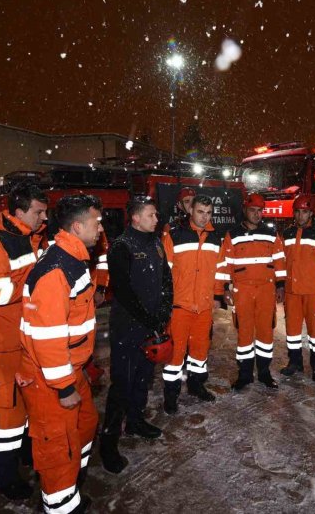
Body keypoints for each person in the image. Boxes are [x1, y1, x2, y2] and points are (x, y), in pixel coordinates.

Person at [17, 195, 103, 514]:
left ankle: (72, 488)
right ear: (77, 226)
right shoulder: (57, 269)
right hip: (50, 379)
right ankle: (60, 504)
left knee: (84, 425)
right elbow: (47, 337)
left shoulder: (73, 259)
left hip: (70, 369)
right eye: (96, 223)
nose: (100, 230)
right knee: (58, 447)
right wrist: (64, 387)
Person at [0, 182, 48, 499]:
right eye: (38, 211)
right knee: (9, 414)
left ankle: (25, 456)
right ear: (18, 212)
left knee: (28, 405)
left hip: (24, 338)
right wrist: (36, 283)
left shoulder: (27, 237)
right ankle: (4, 476)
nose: (44, 217)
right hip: (5, 344)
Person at [100, 196, 173, 473]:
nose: (156, 220)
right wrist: (149, 318)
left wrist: (164, 311)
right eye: (152, 215)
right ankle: (109, 444)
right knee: (122, 384)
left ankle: (135, 420)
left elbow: (166, 278)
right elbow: (123, 291)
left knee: (144, 377)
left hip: (152, 325)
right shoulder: (121, 246)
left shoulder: (155, 242)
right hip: (128, 328)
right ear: (136, 218)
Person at [161, 194, 223, 413]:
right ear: (191, 211)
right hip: (180, 306)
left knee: (200, 352)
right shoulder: (175, 235)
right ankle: (171, 396)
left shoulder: (216, 238)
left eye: (208, 213)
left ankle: (196, 386)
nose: (204, 217)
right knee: (175, 355)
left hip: (204, 307)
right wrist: (165, 301)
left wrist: (217, 296)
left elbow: (220, 271)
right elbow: (164, 272)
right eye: (200, 212)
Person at [215, 193, 282, 390]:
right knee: (244, 334)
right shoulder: (233, 234)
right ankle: (244, 374)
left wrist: (281, 285)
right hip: (242, 290)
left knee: (265, 334)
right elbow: (224, 264)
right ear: (245, 210)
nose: (257, 214)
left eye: (260, 210)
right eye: (253, 210)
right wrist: (225, 289)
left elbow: (279, 260)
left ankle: (264, 373)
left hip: (265, 290)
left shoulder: (271, 233)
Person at [277, 194, 315, 382]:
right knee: (292, 332)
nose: (301, 216)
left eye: (305, 212)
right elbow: (281, 262)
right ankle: (295, 363)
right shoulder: (286, 234)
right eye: (298, 212)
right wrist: (280, 286)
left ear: (310, 213)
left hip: (314, 293)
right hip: (292, 292)